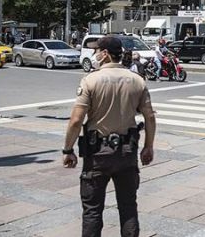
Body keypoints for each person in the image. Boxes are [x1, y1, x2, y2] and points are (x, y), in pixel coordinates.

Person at [62, 37, 156, 237]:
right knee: (128, 207)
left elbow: (76, 120)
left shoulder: (91, 80)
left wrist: (68, 150)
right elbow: (149, 117)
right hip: (127, 153)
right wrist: (148, 147)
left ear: (105, 54)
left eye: (97, 50)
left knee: (92, 210)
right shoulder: (137, 80)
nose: (95, 54)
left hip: (97, 155)